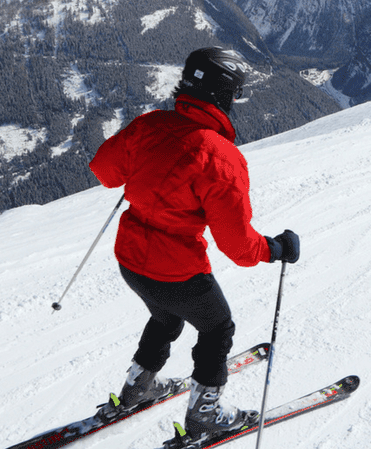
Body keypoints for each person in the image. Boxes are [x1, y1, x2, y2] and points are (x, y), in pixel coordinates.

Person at [89, 47, 300, 445]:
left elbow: (103, 170)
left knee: (167, 317)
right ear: (223, 94)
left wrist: (138, 166)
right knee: (217, 327)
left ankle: (138, 387)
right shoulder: (220, 156)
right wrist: (275, 249)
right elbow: (237, 246)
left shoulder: (149, 125)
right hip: (177, 270)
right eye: (235, 93)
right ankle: (204, 416)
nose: (236, 102)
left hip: (131, 260)